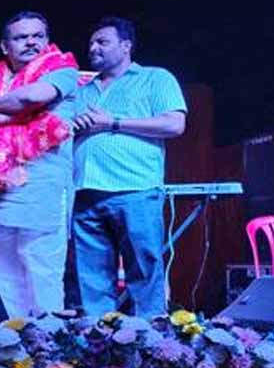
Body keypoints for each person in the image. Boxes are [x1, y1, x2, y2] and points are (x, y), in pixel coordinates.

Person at [0, 12, 79, 318]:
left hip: (40, 185)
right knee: (5, 269)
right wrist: (18, 114)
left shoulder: (61, 69)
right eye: (21, 37)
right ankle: (21, 334)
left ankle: (49, 338)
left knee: (42, 266)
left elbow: (30, 97)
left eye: (38, 36)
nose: (31, 42)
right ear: (4, 46)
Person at [70, 17, 187, 316]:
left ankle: (150, 336)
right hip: (85, 194)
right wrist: (74, 127)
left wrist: (113, 122)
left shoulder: (155, 78)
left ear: (126, 46)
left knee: (143, 272)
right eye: (91, 43)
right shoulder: (83, 91)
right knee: (92, 279)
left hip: (135, 190)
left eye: (102, 42)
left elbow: (174, 124)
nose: (93, 48)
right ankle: (99, 337)